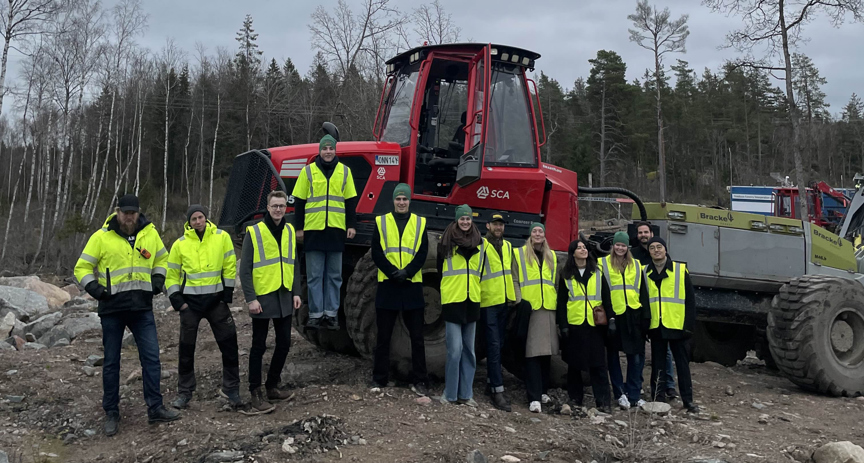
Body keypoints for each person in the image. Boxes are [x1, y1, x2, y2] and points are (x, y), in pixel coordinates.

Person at [74, 194, 180, 436]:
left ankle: (155, 408)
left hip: (142, 308)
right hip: (112, 310)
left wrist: (158, 279)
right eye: (125, 212)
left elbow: (163, 258)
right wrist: (96, 290)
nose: (129, 216)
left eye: (133, 212)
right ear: (117, 211)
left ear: (138, 212)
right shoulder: (101, 237)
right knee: (111, 363)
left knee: (152, 359)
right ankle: (111, 412)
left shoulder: (149, 233)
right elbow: (81, 267)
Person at [165, 205, 241, 410]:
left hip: (216, 301)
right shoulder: (180, 244)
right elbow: (171, 274)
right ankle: (185, 392)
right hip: (191, 305)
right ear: (188, 222)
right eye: (194, 219)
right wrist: (177, 301)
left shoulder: (221, 237)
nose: (197, 221)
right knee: (186, 349)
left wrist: (227, 293)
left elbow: (229, 264)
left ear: (206, 218)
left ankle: (232, 389)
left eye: (200, 217)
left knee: (229, 344)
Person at [240, 190, 302, 414]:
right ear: (268, 207)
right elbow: (245, 269)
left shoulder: (288, 230)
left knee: (284, 343)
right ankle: (255, 392)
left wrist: (296, 292)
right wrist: (251, 299)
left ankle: (272, 385)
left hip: (284, 295)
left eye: (281, 206)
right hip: (263, 298)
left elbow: (293, 262)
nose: (278, 209)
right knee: (259, 345)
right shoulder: (254, 232)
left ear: (286, 207)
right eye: (274, 205)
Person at [291, 134, 358, 330]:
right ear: (319, 151)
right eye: (325, 149)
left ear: (335, 150)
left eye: (331, 148)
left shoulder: (345, 172)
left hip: (336, 230)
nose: (328, 152)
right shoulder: (308, 172)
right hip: (314, 231)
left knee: (334, 276)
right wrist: (299, 227)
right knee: (314, 275)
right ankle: (315, 314)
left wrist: (351, 225)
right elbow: (299, 202)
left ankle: (331, 314)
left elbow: (350, 201)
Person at [370, 184, 430, 395]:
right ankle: (379, 379)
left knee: (417, 338)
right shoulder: (381, 221)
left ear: (409, 201)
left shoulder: (420, 223)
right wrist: (392, 271)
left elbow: (423, 252)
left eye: (405, 199)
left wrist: (408, 272)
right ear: (393, 201)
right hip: (388, 284)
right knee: (383, 337)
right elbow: (376, 251)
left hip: (411, 285)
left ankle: (420, 380)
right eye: (398, 199)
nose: (402, 202)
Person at [640, 236, 700, 413]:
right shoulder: (645, 272)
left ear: (665, 250)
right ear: (649, 251)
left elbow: (690, 301)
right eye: (652, 248)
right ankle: (658, 399)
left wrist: (688, 327)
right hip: (656, 326)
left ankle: (688, 401)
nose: (656, 250)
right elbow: (643, 301)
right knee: (657, 365)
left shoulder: (680, 270)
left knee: (682, 365)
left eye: (659, 247)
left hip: (677, 326)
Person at [557, 238, 613, 414]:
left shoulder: (597, 272)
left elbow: (606, 298)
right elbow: (562, 302)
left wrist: (611, 320)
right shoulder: (566, 275)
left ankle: (603, 401)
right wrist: (563, 325)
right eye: (579, 248)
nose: (583, 250)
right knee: (574, 365)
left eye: (584, 247)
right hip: (575, 325)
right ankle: (575, 399)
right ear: (572, 253)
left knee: (598, 365)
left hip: (594, 325)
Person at [437, 204, 483, 406]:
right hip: (453, 301)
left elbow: (479, 273)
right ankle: (450, 394)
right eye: (462, 219)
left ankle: (466, 394)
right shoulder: (446, 243)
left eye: (468, 219)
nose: (465, 222)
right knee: (454, 350)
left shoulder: (480, 244)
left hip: (471, 301)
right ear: (456, 221)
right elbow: (441, 271)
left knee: (469, 352)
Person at [600, 231, 650, 409]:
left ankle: (634, 394)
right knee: (613, 356)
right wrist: (609, 316)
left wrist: (646, 317)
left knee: (635, 357)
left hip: (633, 315)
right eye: (617, 245)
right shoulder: (602, 264)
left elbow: (644, 292)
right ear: (613, 246)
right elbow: (602, 291)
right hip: (614, 315)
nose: (620, 248)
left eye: (623, 245)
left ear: (627, 247)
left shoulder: (636, 265)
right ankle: (619, 393)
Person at [629, 222, 678, 402]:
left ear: (651, 233)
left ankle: (668, 386)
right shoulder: (632, 254)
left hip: (660, 310)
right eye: (640, 232)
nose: (643, 235)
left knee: (664, 352)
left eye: (646, 232)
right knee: (639, 352)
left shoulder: (660, 252)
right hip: (640, 309)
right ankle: (641, 387)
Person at [514, 223, 558, 413]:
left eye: (541, 231)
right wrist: (518, 301)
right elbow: (514, 278)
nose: (538, 234)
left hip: (548, 307)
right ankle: (533, 396)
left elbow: (554, 281)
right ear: (530, 234)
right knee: (532, 352)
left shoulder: (552, 256)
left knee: (546, 352)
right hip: (530, 307)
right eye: (535, 231)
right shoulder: (520, 254)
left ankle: (543, 391)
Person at [479, 212, 516, 412]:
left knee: (499, 343)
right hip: (488, 301)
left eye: (501, 225)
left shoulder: (508, 246)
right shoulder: (482, 245)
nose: (498, 227)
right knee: (493, 344)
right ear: (488, 226)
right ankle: (497, 390)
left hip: (503, 301)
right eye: (495, 224)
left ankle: (490, 382)